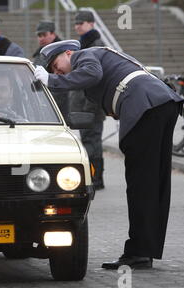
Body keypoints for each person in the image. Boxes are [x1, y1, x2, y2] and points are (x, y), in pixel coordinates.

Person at [33, 40, 183, 270]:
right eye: (53, 70)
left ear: (68, 53)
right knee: (155, 182)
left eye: (55, 64)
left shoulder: (85, 56)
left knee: (140, 183)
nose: (56, 70)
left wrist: (52, 80)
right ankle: (145, 249)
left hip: (146, 106)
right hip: (162, 103)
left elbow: (92, 74)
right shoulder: (93, 60)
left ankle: (138, 252)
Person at [71, 11, 106, 190]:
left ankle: (96, 178)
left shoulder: (96, 45)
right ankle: (93, 177)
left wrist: (90, 107)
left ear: (91, 24)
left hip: (90, 105)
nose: (77, 26)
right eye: (76, 23)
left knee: (92, 142)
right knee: (88, 142)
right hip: (84, 104)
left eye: (81, 23)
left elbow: (95, 79)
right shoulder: (84, 43)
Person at [32, 20, 69, 123]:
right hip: (43, 102)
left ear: (53, 34)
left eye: (44, 35)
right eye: (39, 35)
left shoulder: (61, 54)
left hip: (57, 105)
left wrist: (49, 103)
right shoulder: (41, 53)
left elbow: (62, 82)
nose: (41, 38)